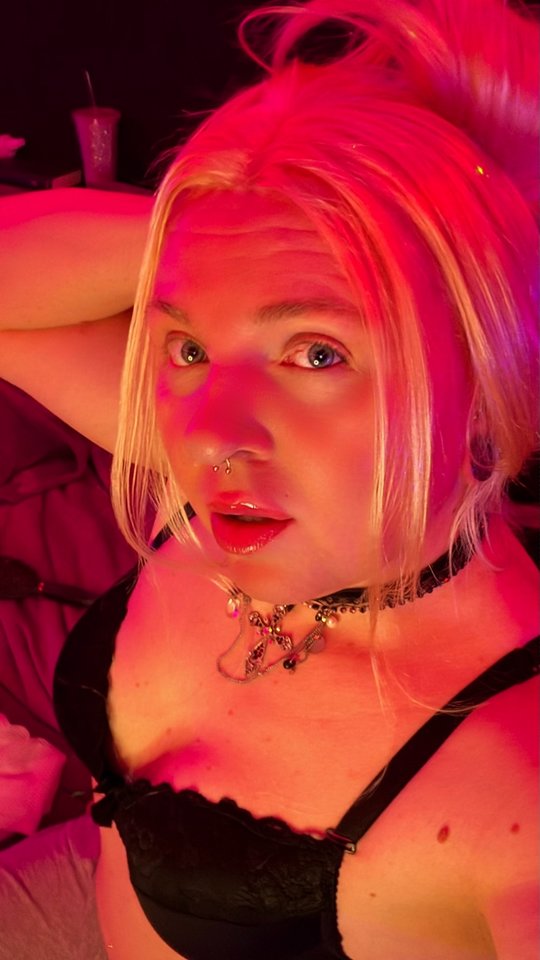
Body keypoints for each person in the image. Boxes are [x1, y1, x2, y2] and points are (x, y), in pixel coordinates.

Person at [0, 0, 538, 957]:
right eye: (191, 348)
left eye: (317, 354)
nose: (208, 438)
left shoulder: (511, 780)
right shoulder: (262, 486)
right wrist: (227, 230)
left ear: (486, 394)